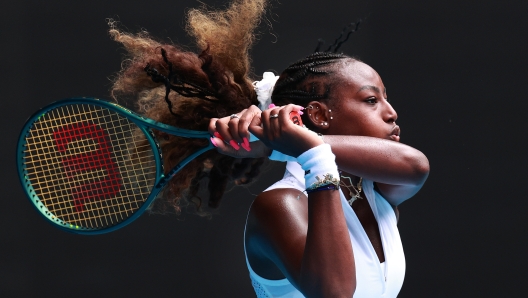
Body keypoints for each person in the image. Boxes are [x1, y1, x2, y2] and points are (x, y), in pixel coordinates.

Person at [109, 0, 429, 296]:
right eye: (372, 100)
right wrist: (310, 154)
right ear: (317, 114)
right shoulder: (280, 205)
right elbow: (335, 292)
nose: (391, 113)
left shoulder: (374, 190)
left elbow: (415, 166)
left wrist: (280, 145)